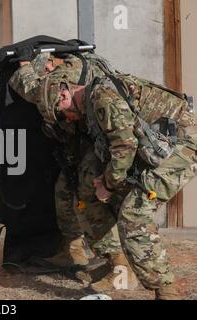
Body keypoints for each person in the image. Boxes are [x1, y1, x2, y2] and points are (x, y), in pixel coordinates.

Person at [42, 72, 196, 300]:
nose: (70, 120)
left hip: (182, 148)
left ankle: (167, 291)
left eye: (64, 114)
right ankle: (118, 265)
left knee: (134, 215)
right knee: (86, 194)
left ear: (65, 94)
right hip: (155, 147)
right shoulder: (94, 100)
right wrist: (104, 180)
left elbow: (125, 145)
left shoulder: (102, 97)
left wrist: (109, 184)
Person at [8, 47, 139, 289]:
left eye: (44, 70)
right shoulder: (80, 66)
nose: (44, 75)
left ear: (48, 64)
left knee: (87, 199)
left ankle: (120, 267)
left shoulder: (65, 74)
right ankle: (73, 251)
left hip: (98, 147)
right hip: (85, 145)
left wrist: (24, 66)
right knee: (64, 192)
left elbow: (27, 87)